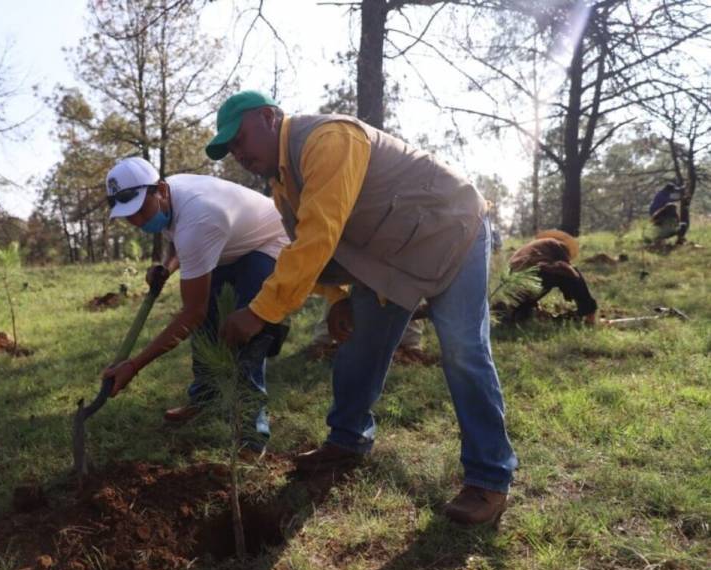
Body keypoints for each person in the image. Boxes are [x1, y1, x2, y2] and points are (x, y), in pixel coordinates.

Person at [206, 90, 517, 526]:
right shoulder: (283, 185)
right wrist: (337, 299)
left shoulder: (328, 140)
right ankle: (347, 441)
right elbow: (325, 247)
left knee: (463, 348)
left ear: (269, 117)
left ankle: (489, 478)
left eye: (239, 140)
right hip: (393, 255)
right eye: (230, 149)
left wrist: (259, 312)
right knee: (361, 348)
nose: (238, 153)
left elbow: (320, 233)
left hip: (452, 230)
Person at [100, 157, 290, 456]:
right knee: (206, 327)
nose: (136, 221)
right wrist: (168, 266)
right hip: (229, 244)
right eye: (128, 215)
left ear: (160, 189)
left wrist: (134, 366)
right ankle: (205, 398)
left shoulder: (199, 217)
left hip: (270, 242)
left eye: (139, 210)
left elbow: (191, 312)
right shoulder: (169, 198)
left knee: (245, 329)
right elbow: (178, 236)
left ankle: (253, 433)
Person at [506, 230, 597, 324]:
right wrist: (569, 290)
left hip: (512, 281)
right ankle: (589, 313)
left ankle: (519, 314)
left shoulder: (535, 246)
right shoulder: (556, 244)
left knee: (550, 273)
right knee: (573, 272)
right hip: (531, 273)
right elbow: (568, 270)